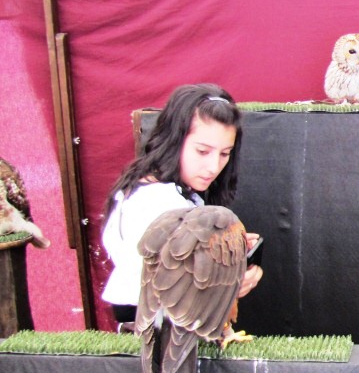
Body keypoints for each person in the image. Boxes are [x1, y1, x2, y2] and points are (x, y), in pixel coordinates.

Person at [101, 83, 262, 331]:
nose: (214, 166)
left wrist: (227, 248)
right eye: (202, 151)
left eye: (225, 153)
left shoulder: (158, 188)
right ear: (174, 140)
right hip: (158, 330)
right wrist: (228, 283)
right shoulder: (159, 200)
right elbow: (173, 291)